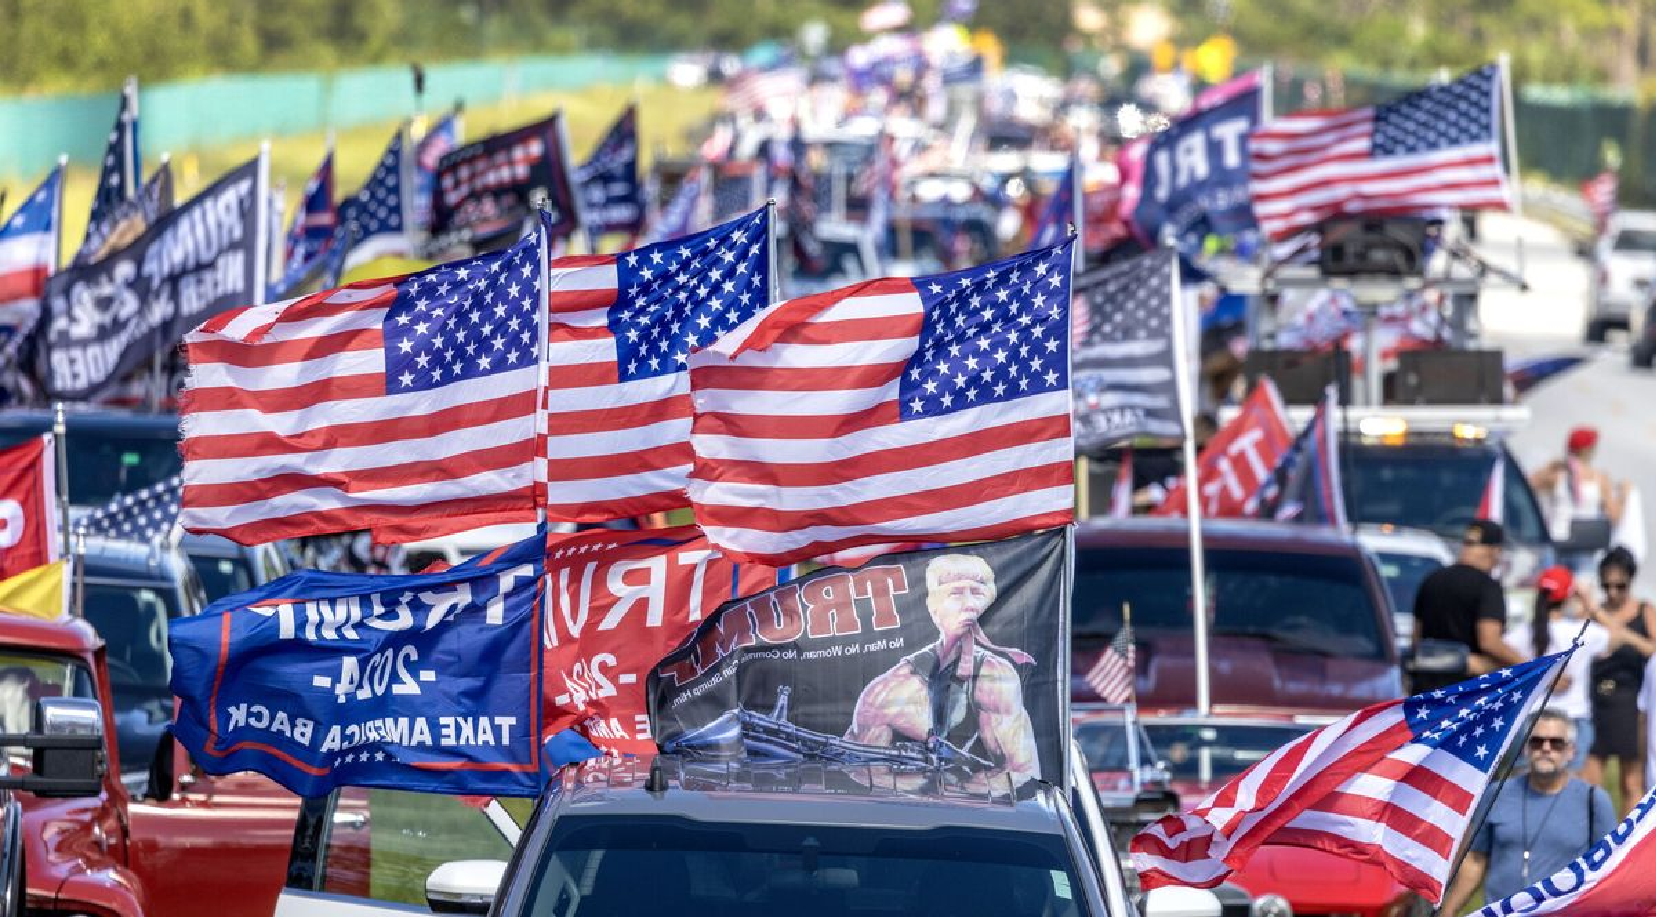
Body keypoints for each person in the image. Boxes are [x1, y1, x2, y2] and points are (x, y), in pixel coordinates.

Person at [845, 554, 1041, 794]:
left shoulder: (997, 678)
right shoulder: (887, 690)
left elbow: (1022, 769)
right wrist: (929, 787)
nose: (970, 604)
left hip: (980, 820)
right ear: (933, 607)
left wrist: (956, 789)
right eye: (956, 593)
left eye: (977, 593)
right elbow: (861, 772)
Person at [1441, 710, 1616, 915]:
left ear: (1571, 752)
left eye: (1556, 743)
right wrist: (1448, 912)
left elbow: (1609, 871)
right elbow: (1475, 860)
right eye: (1537, 742)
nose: (1546, 749)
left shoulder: (1593, 800)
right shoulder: (1496, 793)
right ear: (1525, 748)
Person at [1501, 566, 1637, 775]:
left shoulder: (1522, 632)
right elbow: (1619, 635)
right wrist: (1590, 604)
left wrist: (1540, 676)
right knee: (1566, 793)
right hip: (1573, 721)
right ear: (1569, 595)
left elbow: (1498, 656)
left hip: (1530, 720)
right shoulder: (1584, 632)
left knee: (1524, 788)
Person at [1582, 547, 1656, 812]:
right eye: (1606, 585)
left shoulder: (1645, 610)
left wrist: (1623, 634)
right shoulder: (1591, 612)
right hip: (1597, 699)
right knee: (1591, 783)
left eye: (1620, 586)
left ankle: (1630, 842)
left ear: (1630, 582)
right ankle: (1592, 844)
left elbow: (1653, 650)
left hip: (1631, 700)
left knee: (1631, 781)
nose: (1612, 592)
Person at [1413, 520, 1527, 688]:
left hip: (1427, 688)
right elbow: (1489, 642)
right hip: (1467, 689)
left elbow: (1416, 637)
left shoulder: (1432, 579)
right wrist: (1528, 666)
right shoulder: (1487, 587)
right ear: (1495, 551)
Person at [1529, 426, 1628, 542]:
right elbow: (1615, 516)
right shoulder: (1600, 480)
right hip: (1583, 544)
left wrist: (1549, 467)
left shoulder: (1556, 476)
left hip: (1556, 541)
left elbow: (1524, 485)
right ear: (1591, 451)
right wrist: (1624, 495)